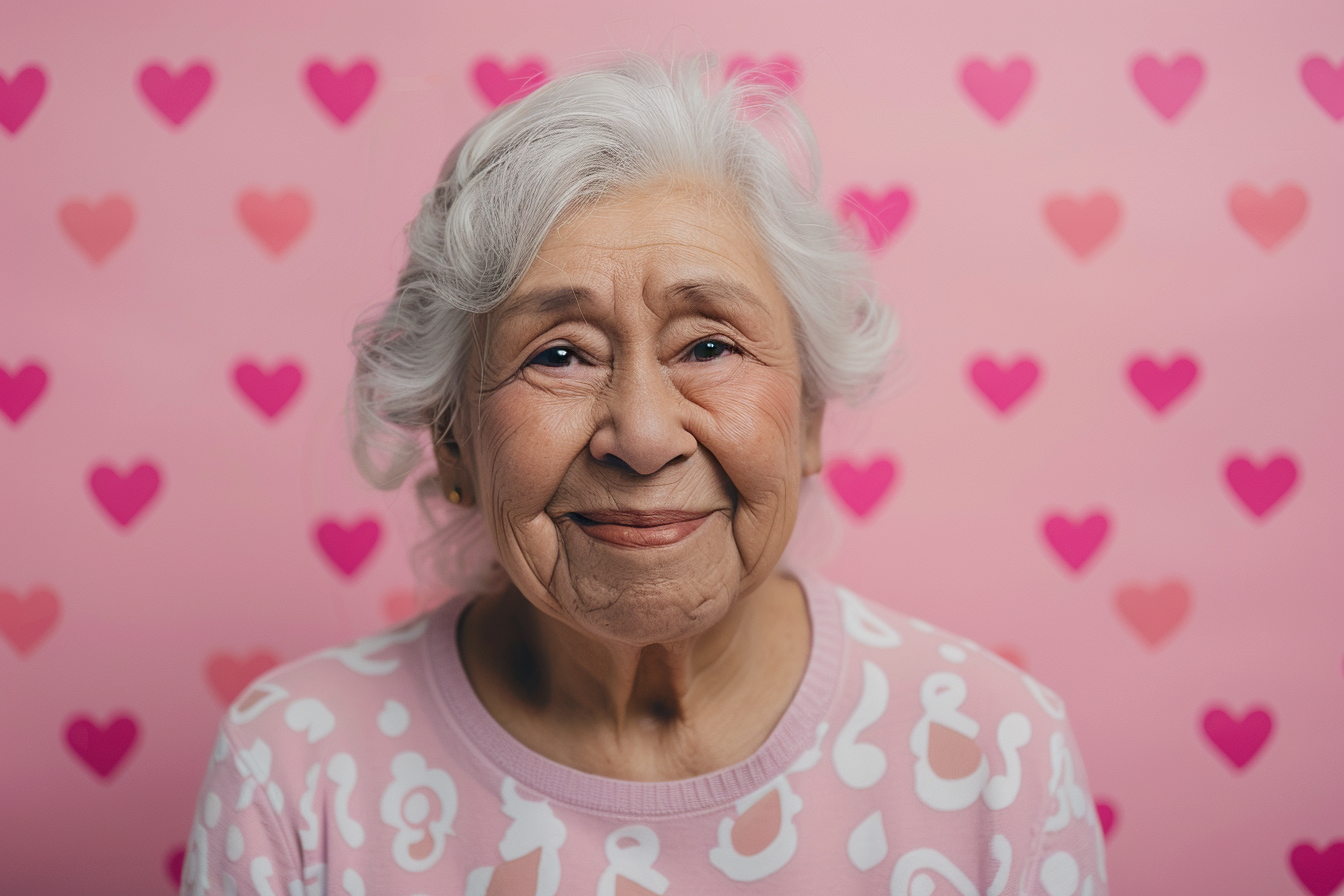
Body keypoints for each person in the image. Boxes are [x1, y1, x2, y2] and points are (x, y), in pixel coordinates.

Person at [182, 55, 1107, 896]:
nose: (644, 434)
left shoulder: (995, 754)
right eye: (559, 355)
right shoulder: (295, 770)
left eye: (708, 345)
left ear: (812, 417)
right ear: (453, 437)